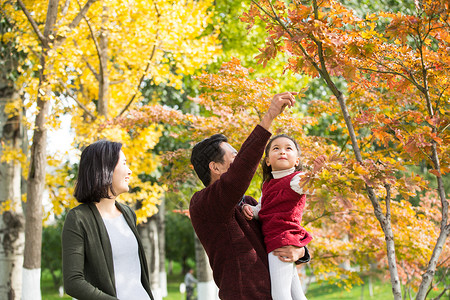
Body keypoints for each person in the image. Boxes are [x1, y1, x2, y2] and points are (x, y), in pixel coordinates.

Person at [189, 92, 310, 300]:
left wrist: (300, 252)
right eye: (234, 156)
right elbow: (240, 174)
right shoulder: (203, 204)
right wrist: (269, 117)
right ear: (215, 167)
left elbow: (279, 229)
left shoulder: (249, 204)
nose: (240, 160)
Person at [62, 140, 154, 300]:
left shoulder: (128, 213)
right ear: (106, 168)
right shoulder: (78, 218)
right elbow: (73, 282)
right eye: (124, 163)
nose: (130, 171)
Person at [242, 134, 313, 300]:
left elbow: (306, 186)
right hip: (276, 240)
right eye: (276, 148)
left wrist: (315, 173)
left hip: (282, 240)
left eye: (288, 148)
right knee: (296, 294)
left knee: (280, 295)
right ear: (267, 161)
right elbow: (263, 210)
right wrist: (249, 209)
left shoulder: (296, 179)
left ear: (297, 161)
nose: (282, 152)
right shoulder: (267, 185)